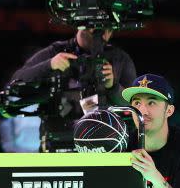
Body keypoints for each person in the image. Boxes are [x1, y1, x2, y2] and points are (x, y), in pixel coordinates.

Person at [9, 28, 137, 152]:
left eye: (109, 29)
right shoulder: (56, 52)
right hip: (56, 144)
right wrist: (49, 65)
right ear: (81, 25)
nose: (104, 35)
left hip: (102, 146)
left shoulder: (119, 59)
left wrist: (112, 86)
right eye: (97, 29)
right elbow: (16, 82)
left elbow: (133, 107)